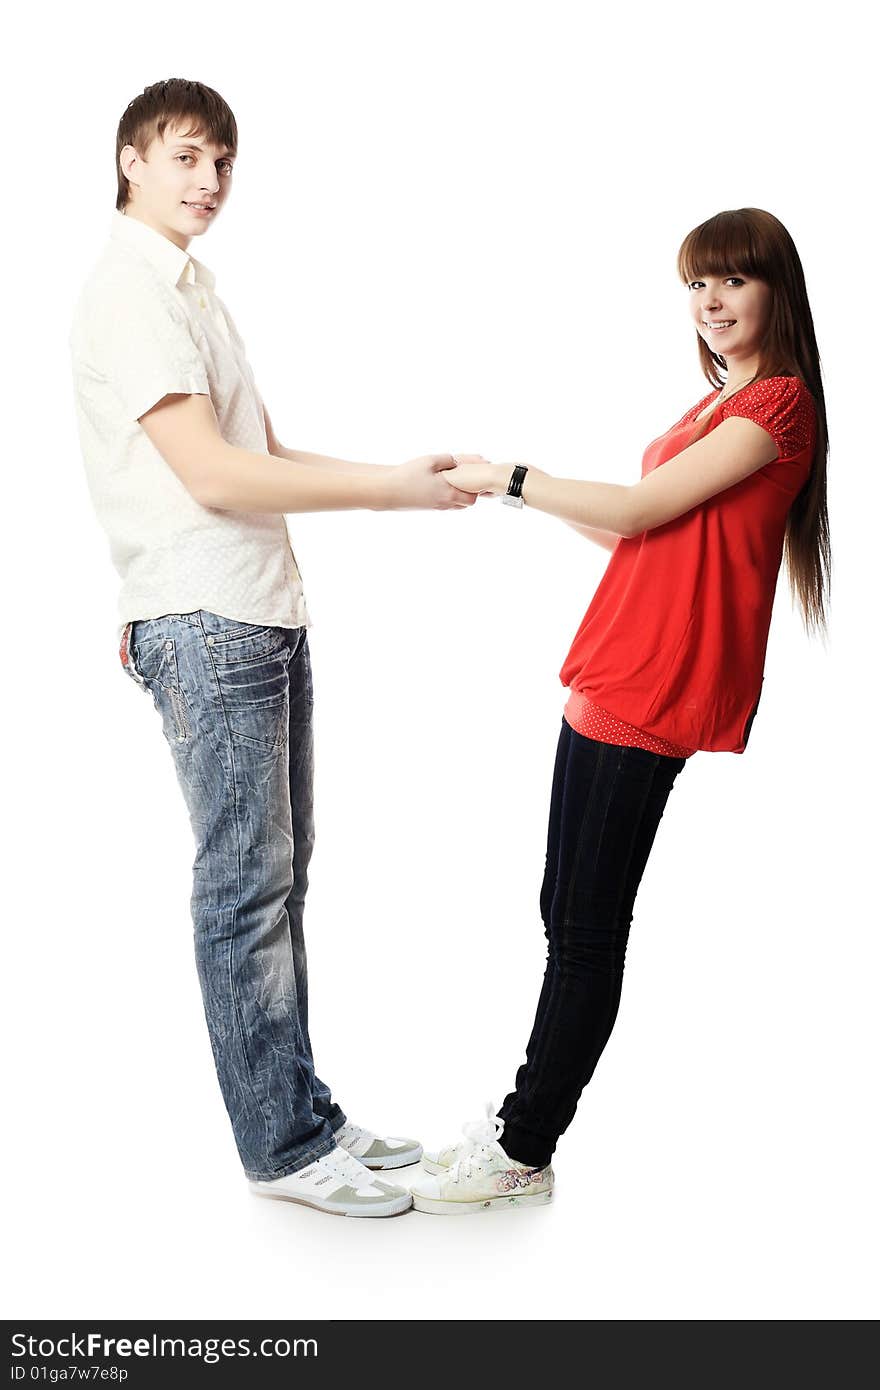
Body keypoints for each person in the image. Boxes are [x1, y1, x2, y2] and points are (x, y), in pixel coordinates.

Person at [69, 78, 477, 1218]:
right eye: (188, 155)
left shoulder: (192, 287)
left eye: (224, 163)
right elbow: (211, 474)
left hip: (255, 602)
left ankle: (300, 1110)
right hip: (206, 612)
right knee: (244, 885)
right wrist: (387, 493)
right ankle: (284, 1152)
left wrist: (398, 479)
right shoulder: (130, 292)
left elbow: (260, 446)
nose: (209, 180)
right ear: (132, 158)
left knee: (278, 877)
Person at [409, 207, 830, 1214]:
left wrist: (512, 475)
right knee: (564, 910)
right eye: (696, 284)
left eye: (732, 279)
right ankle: (518, 1124)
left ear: (776, 289)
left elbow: (641, 512)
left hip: (660, 684)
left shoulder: (775, 409)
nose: (712, 301)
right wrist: (527, 500)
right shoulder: (708, 406)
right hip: (611, 669)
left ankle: (522, 1144)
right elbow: (648, 539)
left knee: (586, 930)